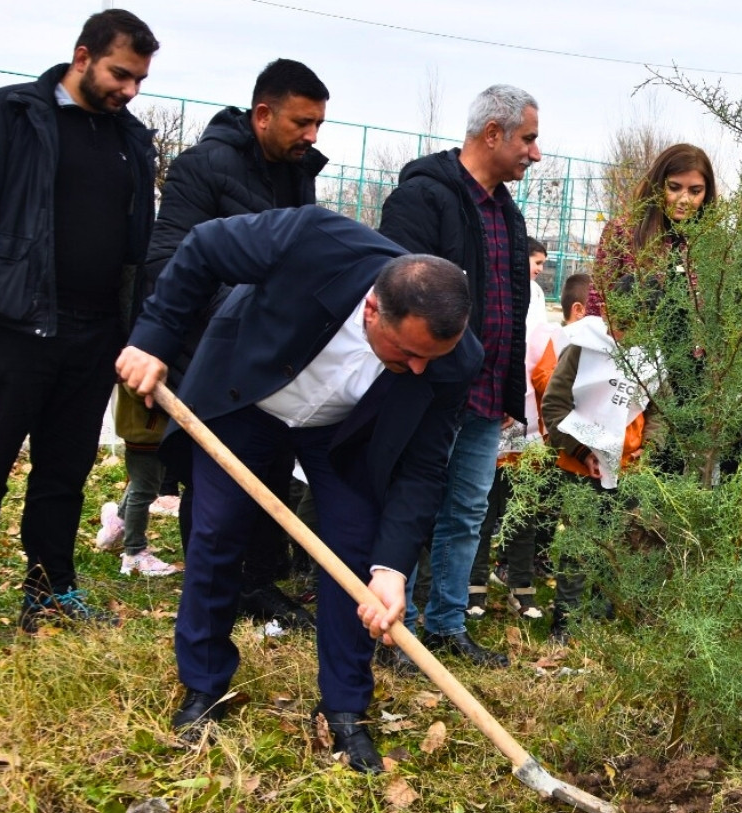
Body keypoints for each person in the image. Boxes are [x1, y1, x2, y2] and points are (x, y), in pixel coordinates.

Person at [115, 206, 481, 772]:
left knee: (353, 559)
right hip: (246, 398)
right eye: (405, 352)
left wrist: (392, 569)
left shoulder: (452, 362)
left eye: (428, 359)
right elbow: (205, 244)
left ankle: (345, 712)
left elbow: (423, 468)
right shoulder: (315, 241)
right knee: (216, 534)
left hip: (342, 435)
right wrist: (153, 339)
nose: (416, 369)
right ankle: (204, 687)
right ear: (373, 308)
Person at [0, 9, 160, 645]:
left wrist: (136, 330)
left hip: (95, 333)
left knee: (66, 469)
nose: (130, 90)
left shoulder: (131, 140)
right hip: (14, 325)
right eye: (121, 74)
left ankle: (50, 588)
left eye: (140, 79)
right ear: (82, 56)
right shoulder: (11, 114)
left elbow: (137, 243)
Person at [144, 58, 332, 630]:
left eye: (319, 124)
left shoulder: (297, 173)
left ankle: (256, 585)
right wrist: (251, 303)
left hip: (269, 359)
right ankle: (214, 590)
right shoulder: (204, 168)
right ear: (262, 114)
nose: (313, 136)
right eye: (302, 122)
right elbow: (168, 261)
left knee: (270, 470)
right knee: (214, 483)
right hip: (207, 354)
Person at [377, 85, 539, 667]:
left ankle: (447, 626)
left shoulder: (507, 213)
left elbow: (510, 308)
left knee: (466, 510)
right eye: (528, 138)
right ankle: (399, 628)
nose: (534, 153)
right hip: (430, 387)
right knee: (413, 505)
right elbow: (399, 292)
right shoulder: (425, 198)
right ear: (492, 134)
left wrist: (506, 390)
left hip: (485, 390)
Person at [541, 276, 659, 642]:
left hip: (629, 466)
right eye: (621, 324)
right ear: (605, 312)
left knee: (618, 543)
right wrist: (584, 451)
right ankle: (565, 622)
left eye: (637, 326)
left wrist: (648, 447)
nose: (626, 334)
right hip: (582, 466)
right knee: (579, 544)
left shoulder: (653, 357)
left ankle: (601, 617)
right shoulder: (582, 346)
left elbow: (659, 412)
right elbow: (554, 406)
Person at [465, 242, 561, 620]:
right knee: (480, 508)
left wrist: (539, 411)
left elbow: (541, 356)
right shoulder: (479, 284)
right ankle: (473, 586)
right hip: (484, 410)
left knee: (522, 509)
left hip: (524, 419)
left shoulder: (534, 296)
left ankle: (521, 585)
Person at [590, 144, 714, 317]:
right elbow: (597, 303)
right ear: (657, 184)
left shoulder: (713, 244)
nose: (684, 199)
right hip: (629, 342)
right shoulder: (623, 231)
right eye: (674, 187)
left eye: (695, 191)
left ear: (706, 193)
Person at [93, 386, 181, 576]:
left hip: (153, 428)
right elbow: (140, 387)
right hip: (145, 428)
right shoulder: (140, 358)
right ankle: (134, 553)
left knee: (145, 484)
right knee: (144, 491)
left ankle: (117, 522)